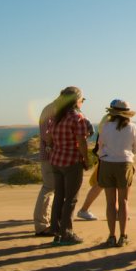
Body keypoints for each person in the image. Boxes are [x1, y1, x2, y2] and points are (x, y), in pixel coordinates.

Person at [44, 88, 93, 245]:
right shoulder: (77, 117)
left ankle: (56, 231)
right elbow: (82, 141)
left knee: (59, 196)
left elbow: (49, 138)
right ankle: (67, 233)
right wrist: (86, 159)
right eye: (81, 99)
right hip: (71, 161)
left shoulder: (57, 117)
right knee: (71, 198)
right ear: (76, 99)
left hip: (56, 161)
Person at [33, 88, 79, 237]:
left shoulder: (53, 108)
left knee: (54, 190)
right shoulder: (54, 109)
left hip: (53, 155)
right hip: (51, 155)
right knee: (49, 188)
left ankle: (51, 223)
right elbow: (47, 135)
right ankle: (42, 225)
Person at [97, 99, 136, 247]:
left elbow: (100, 145)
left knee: (110, 202)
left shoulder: (105, 126)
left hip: (107, 163)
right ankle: (123, 235)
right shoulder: (133, 127)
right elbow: (135, 149)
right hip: (124, 164)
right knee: (124, 201)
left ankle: (111, 236)